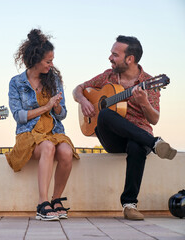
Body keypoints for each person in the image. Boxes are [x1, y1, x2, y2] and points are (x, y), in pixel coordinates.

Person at [73, 35, 177, 220]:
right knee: (104, 114)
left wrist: (144, 103)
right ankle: (155, 143)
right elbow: (78, 88)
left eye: (114, 54)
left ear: (130, 59)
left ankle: (129, 205)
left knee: (137, 146)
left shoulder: (150, 82)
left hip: (138, 135)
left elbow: (154, 119)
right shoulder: (108, 76)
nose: (110, 58)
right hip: (113, 139)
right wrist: (83, 101)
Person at [6, 29, 79, 221]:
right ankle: (42, 203)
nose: (51, 64)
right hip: (28, 134)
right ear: (35, 60)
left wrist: (55, 108)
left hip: (53, 131)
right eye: (48, 61)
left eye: (52, 60)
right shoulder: (16, 83)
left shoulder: (53, 80)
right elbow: (19, 116)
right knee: (47, 147)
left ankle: (56, 200)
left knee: (65, 151)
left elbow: (62, 114)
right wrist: (46, 106)